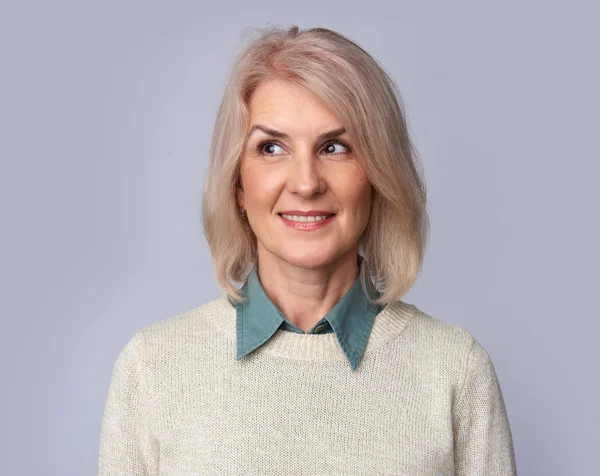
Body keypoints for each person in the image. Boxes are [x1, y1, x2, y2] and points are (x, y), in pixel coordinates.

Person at [97, 25, 517, 475]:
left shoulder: (455, 369)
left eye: (334, 147)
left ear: (377, 177)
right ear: (237, 184)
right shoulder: (153, 367)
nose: (305, 183)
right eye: (271, 147)